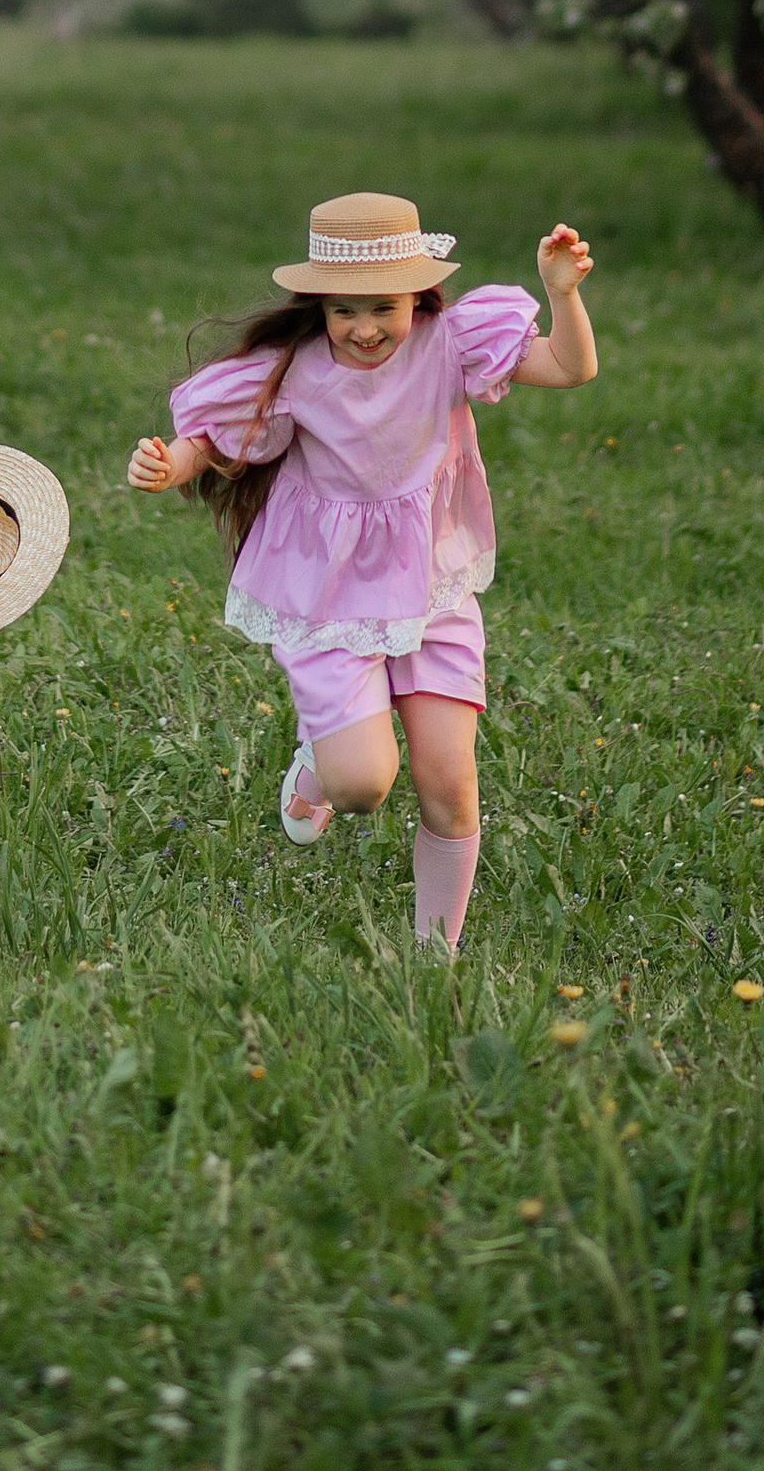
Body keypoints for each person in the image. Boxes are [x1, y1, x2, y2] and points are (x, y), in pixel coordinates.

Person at [127, 188, 597, 953]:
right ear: (318, 305)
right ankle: (322, 759)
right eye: (345, 311)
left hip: (432, 589)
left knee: (450, 785)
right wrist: (168, 464)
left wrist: (563, 296)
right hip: (327, 595)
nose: (365, 328)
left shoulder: (450, 345)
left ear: (418, 294)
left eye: (385, 307)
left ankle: (433, 957)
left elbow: (570, 368)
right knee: (363, 787)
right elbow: (215, 442)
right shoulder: (297, 373)